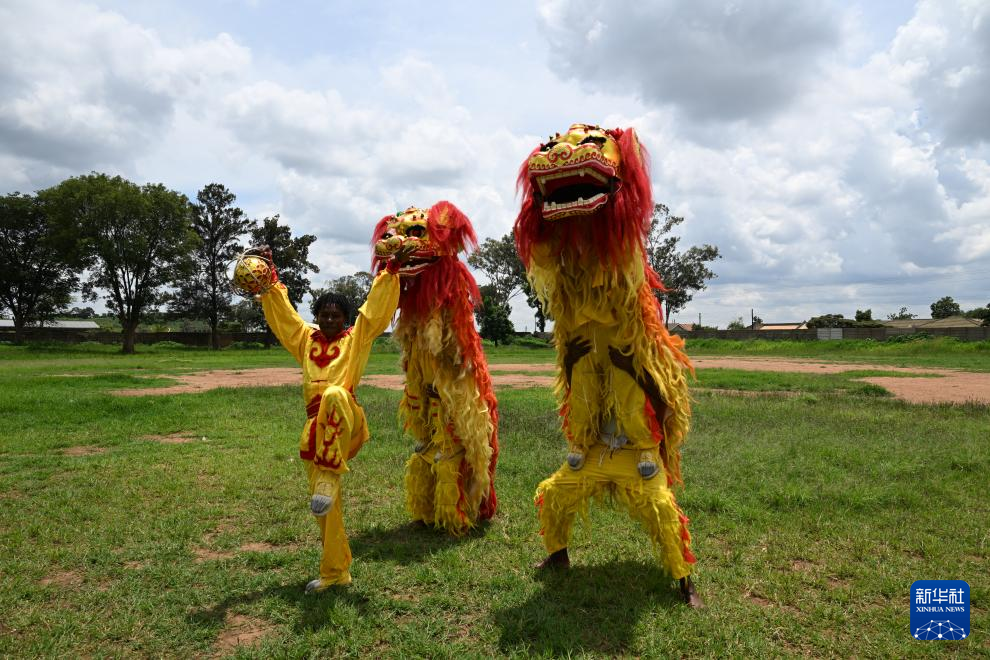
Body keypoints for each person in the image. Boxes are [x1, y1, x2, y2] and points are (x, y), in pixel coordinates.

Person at [256, 244, 409, 593]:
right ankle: (335, 571)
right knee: (325, 511)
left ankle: (329, 474)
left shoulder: (356, 340)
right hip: (316, 432)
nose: (328, 320)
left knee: (335, 394)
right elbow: (285, 319)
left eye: (336, 315)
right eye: (323, 314)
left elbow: (374, 313)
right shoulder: (305, 341)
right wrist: (269, 282)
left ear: (344, 319)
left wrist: (390, 272)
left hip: (347, 421)